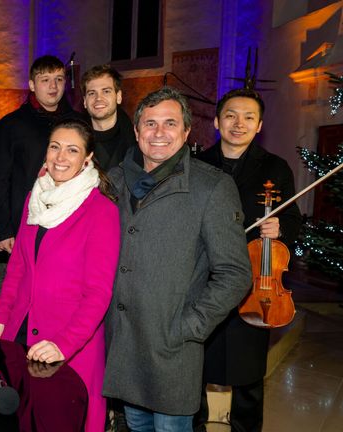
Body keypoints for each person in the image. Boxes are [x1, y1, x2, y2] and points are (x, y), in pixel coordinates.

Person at [103, 87, 252, 431]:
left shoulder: (211, 186)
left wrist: (190, 326)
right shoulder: (113, 181)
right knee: (135, 425)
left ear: (186, 132)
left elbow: (234, 273)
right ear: (137, 131)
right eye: (150, 124)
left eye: (170, 123)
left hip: (172, 348)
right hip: (124, 343)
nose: (159, 133)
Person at [0, 118, 120, 432]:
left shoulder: (101, 210)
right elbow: (18, 268)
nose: (60, 157)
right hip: (21, 336)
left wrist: (63, 343)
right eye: (55, 147)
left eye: (72, 150)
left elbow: (98, 293)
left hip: (68, 347)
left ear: (87, 159)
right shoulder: (36, 198)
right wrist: (1, 318)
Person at [195, 88, 302, 432]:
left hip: (254, 284)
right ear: (216, 121)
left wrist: (280, 226)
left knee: (247, 378)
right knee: (195, 370)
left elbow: (295, 219)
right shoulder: (197, 164)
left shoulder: (275, 167)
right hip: (204, 281)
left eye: (248, 117)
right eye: (230, 115)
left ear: (259, 126)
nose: (238, 124)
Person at [0, 55, 86, 256]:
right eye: (45, 79)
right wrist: (3, 229)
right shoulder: (11, 124)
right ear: (32, 85)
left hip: (70, 218)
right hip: (25, 220)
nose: (53, 86)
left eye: (58, 79)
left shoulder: (79, 123)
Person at [81, 64, 135, 170]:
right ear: (84, 102)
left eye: (106, 91)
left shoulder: (138, 142)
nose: (98, 98)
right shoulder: (73, 141)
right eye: (92, 93)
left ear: (118, 97)